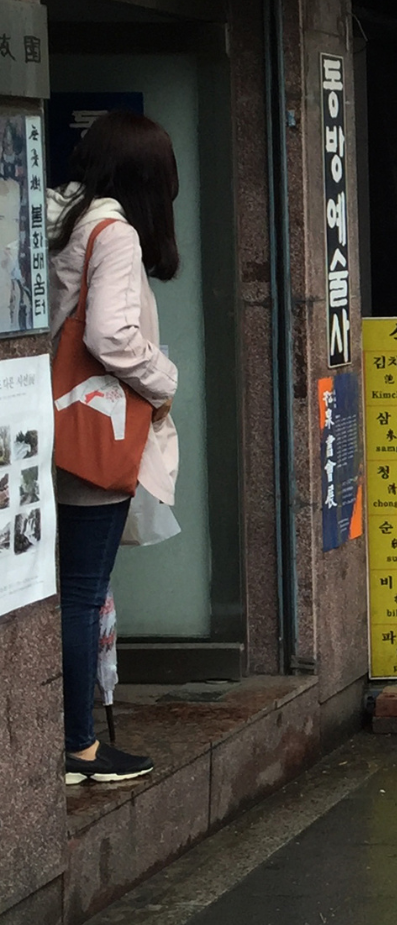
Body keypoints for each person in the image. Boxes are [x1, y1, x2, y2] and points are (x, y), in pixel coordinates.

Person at [50, 111, 182, 785]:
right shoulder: (117, 233)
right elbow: (110, 336)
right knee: (81, 591)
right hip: (92, 431)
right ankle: (79, 746)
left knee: (62, 590)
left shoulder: (61, 217)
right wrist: (164, 383)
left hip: (50, 424)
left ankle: (68, 739)